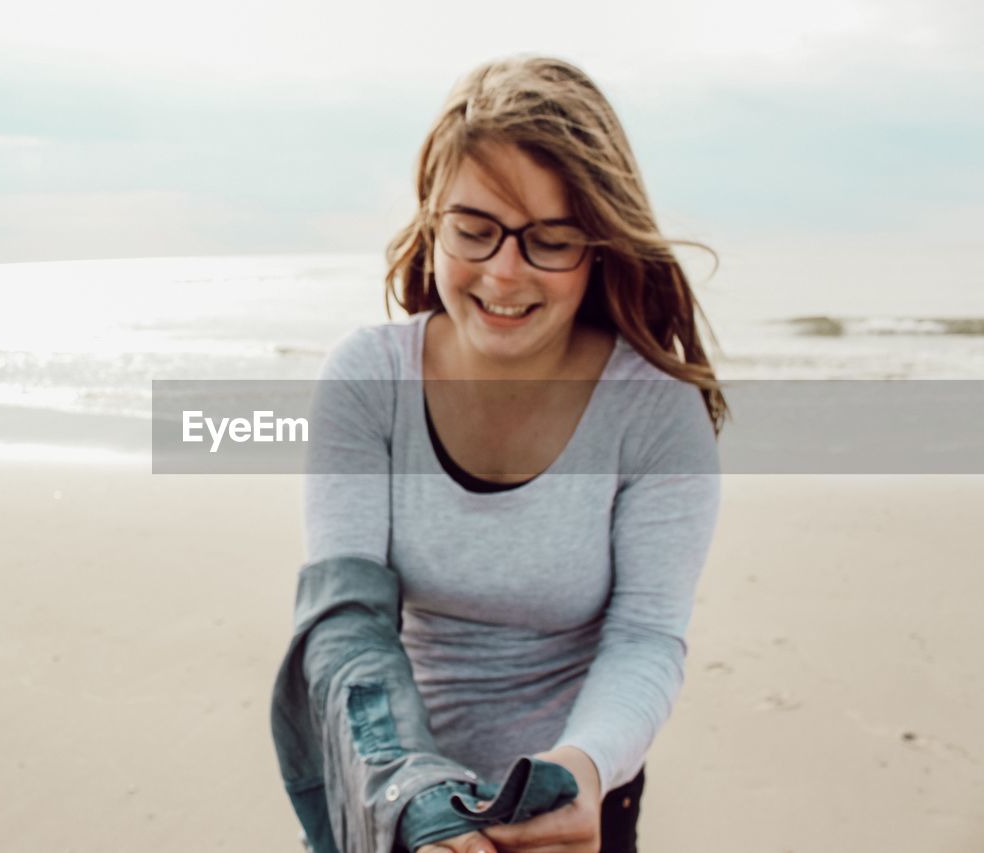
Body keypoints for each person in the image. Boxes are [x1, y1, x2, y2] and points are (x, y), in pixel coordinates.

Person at [297, 55, 726, 852]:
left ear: (597, 245)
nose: (503, 271)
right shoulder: (366, 378)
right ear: (432, 220)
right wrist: (417, 795)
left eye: (550, 241)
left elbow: (645, 635)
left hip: (577, 801)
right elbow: (345, 626)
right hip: (391, 791)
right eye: (475, 230)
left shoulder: (657, 412)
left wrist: (580, 771)